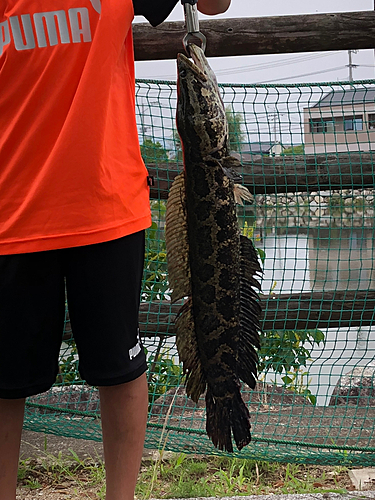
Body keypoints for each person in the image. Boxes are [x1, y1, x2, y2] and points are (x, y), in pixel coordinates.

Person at [0, 0, 231, 499]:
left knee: (121, 370)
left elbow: (214, 3)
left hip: (105, 203)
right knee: (4, 380)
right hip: (11, 206)